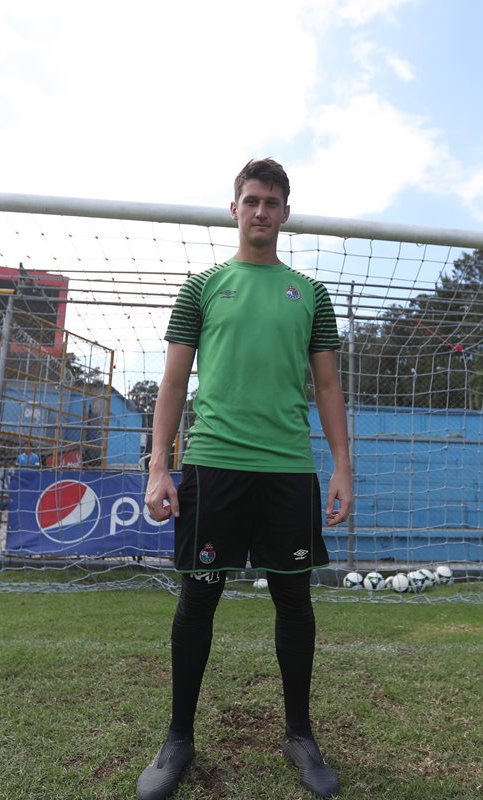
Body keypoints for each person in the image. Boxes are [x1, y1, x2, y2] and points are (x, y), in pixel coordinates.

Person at [138, 158, 353, 800]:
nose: (262, 211)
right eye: (252, 200)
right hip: (214, 465)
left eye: (272, 202)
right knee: (198, 599)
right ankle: (178, 739)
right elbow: (173, 381)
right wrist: (158, 465)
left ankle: (300, 736)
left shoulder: (309, 293)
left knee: (294, 600)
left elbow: (327, 385)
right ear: (234, 209)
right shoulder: (202, 287)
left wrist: (342, 465)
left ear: (286, 213)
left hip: (287, 467)